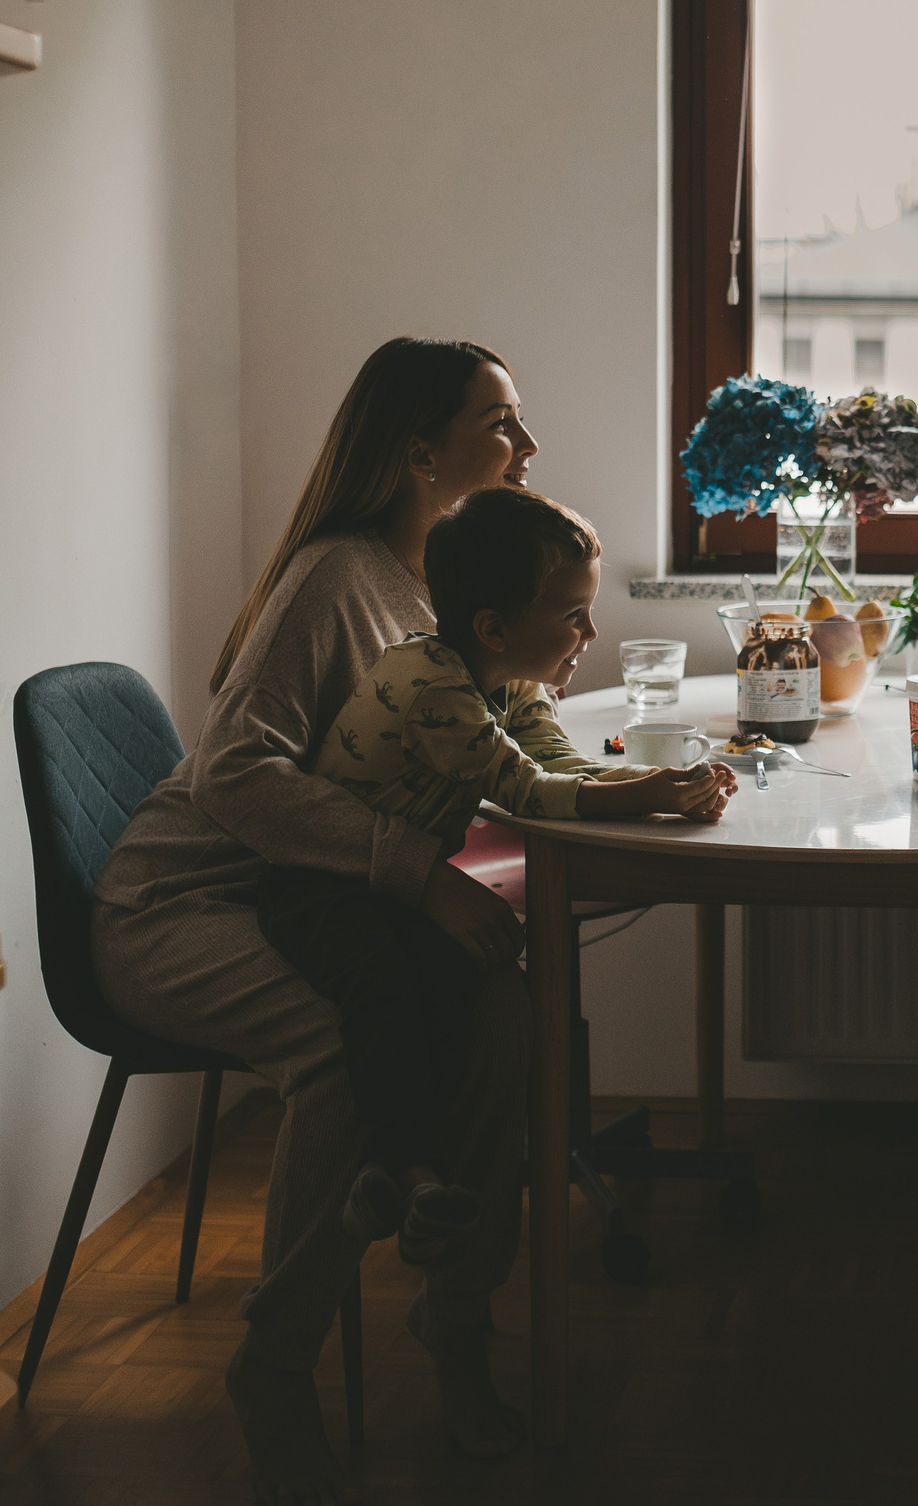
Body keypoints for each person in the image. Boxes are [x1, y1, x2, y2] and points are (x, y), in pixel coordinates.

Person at [93, 338, 546, 1504]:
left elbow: (465, 760)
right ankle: (273, 1367)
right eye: (499, 422)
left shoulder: (438, 589)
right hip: (189, 900)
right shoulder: (337, 576)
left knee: (506, 1007)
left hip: (331, 897)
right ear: (417, 451)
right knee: (347, 1042)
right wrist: (420, 873)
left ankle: (458, 1325)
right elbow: (237, 776)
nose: (526, 446)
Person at [255, 486, 732, 1269]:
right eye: (573, 615)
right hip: (319, 880)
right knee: (381, 987)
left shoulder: (509, 678)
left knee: (462, 976)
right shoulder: (433, 682)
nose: (592, 631)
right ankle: (403, 1169)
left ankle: (402, 1177)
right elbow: (524, 791)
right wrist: (647, 794)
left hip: (393, 882)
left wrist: (663, 790)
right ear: (495, 627)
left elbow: (562, 765)